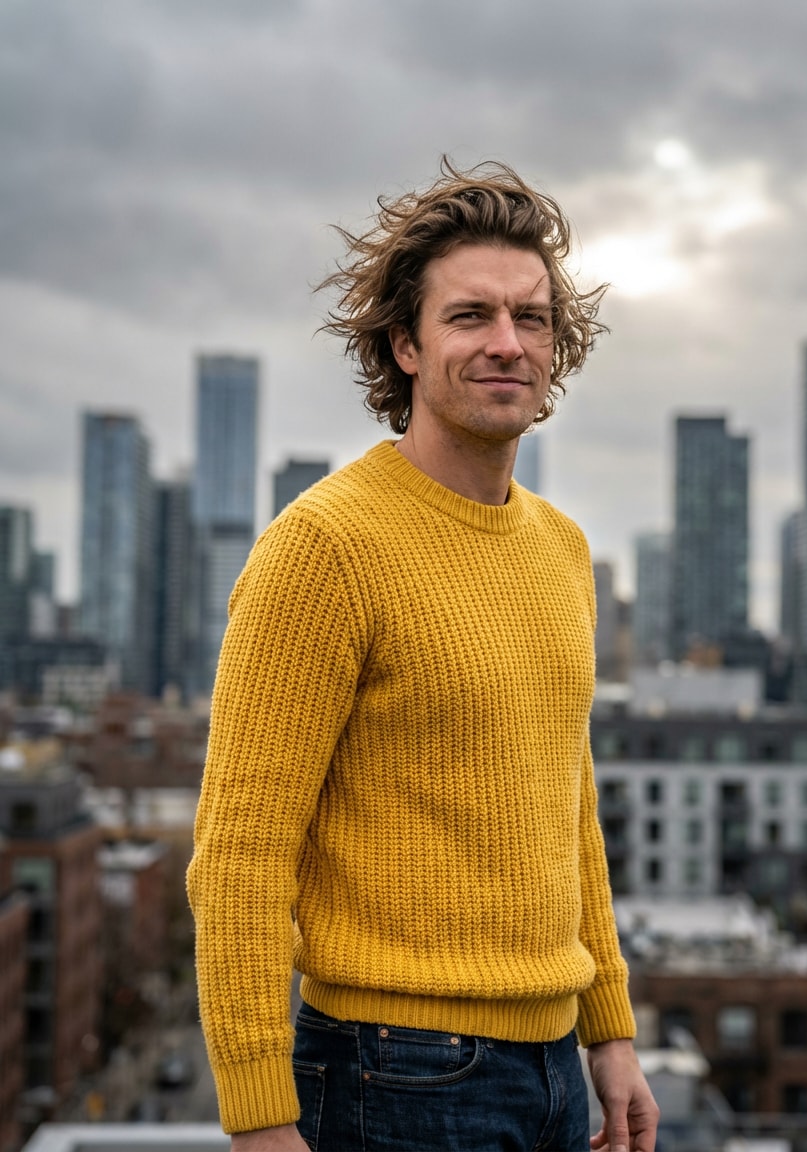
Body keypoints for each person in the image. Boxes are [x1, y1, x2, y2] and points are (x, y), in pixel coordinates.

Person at [187, 158, 659, 1152]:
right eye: (469, 316)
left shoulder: (562, 548)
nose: (506, 343)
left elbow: (566, 809)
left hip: (555, 1070)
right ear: (404, 344)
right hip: (391, 1074)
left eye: (531, 319)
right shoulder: (324, 547)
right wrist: (257, 1114)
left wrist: (609, 1030)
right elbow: (240, 851)